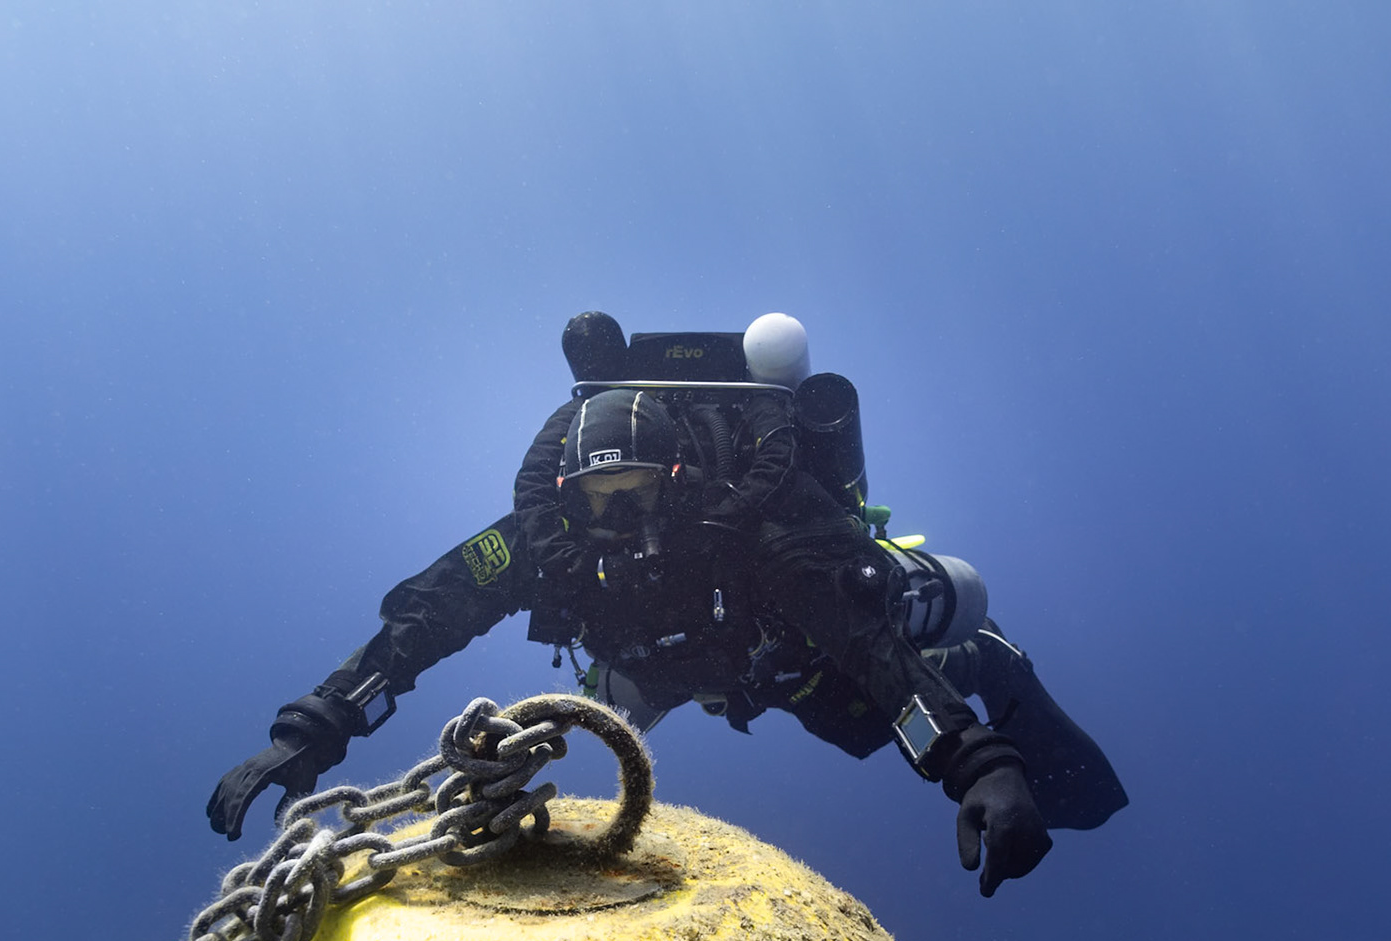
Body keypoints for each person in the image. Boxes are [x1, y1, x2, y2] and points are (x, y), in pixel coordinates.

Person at [208, 314, 1126, 897]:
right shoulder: (544, 541)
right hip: (678, 666)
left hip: (793, 652)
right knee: (601, 713)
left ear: (680, 481)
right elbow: (428, 615)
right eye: (598, 503)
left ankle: (987, 672)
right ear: (566, 492)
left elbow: (864, 643)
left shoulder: (757, 529)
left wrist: (977, 762)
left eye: (639, 494)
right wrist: (316, 730)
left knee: (916, 733)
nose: (621, 525)